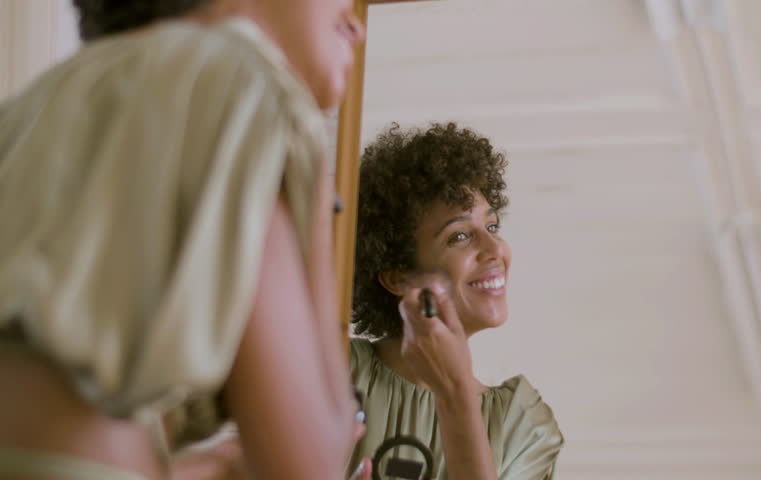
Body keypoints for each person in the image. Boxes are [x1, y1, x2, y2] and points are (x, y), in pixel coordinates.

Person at [0, 0, 370, 478]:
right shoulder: (238, 78)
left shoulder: (28, 107)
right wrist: (316, 203)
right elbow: (310, 462)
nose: (357, 26)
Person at [348, 122, 564, 480]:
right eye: (460, 236)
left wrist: (454, 391)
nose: (495, 248)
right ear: (397, 276)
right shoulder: (336, 372)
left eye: (492, 227)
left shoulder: (522, 426)